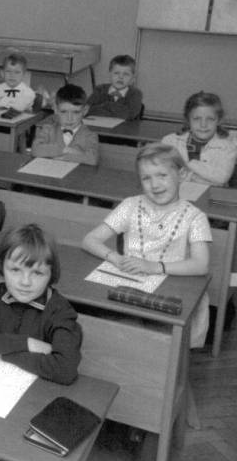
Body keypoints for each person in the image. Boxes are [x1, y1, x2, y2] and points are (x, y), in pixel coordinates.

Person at [82, 143, 211, 347]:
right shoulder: (130, 205)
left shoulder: (195, 217)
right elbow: (90, 239)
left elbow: (201, 264)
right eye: (146, 178)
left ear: (182, 174)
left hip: (169, 295)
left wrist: (154, 267)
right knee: (114, 332)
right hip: (130, 289)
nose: (155, 184)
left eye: (162, 175)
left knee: (154, 344)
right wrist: (115, 258)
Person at [0, 224, 82, 385]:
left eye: (37, 273)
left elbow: (65, 370)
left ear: (51, 274)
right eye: (15, 270)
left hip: (36, 393)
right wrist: (27, 344)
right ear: (2, 266)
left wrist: (1, 353)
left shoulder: (60, 311)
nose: (25, 282)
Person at [161, 92, 236, 186]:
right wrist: (198, 177)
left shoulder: (227, 147)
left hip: (213, 197)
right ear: (188, 120)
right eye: (197, 119)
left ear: (219, 120)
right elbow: (163, 174)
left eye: (210, 119)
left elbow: (221, 178)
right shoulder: (170, 142)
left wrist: (188, 164)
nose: (203, 125)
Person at [31, 84, 99, 166]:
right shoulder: (47, 129)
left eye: (76, 112)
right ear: (55, 109)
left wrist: (66, 157)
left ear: (85, 111)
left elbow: (92, 159)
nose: (69, 118)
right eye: (63, 112)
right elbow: (35, 150)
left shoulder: (90, 135)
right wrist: (64, 150)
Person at [86, 54, 143, 121]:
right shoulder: (100, 89)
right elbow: (87, 110)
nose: (120, 77)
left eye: (126, 74)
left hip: (124, 130)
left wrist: (106, 106)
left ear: (133, 79)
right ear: (109, 74)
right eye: (116, 73)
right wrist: (117, 110)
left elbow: (129, 114)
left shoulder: (135, 94)